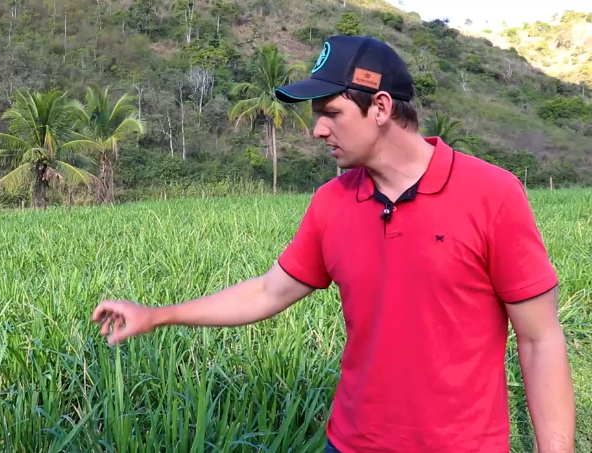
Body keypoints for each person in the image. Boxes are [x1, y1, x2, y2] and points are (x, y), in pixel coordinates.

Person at [91, 35, 576, 453]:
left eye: (332, 114)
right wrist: (158, 315)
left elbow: (539, 340)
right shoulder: (332, 203)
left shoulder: (491, 194)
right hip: (349, 442)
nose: (318, 129)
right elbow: (268, 292)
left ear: (380, 107)